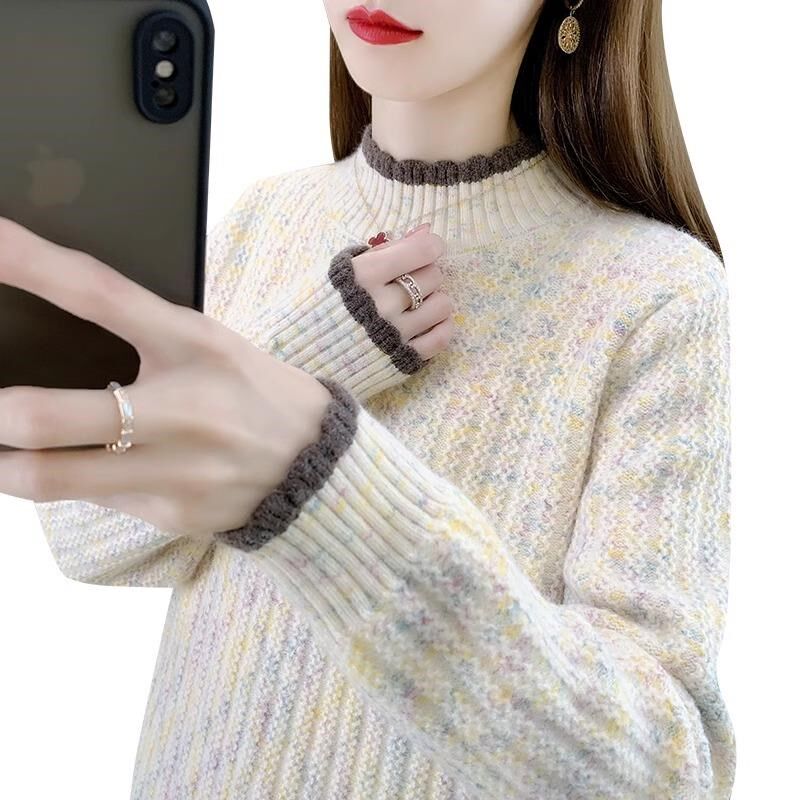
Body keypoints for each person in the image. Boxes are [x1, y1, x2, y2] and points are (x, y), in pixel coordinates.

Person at [5, 1, 735, 797]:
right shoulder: (264, 217)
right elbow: (85, 540)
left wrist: (319, 475)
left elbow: (659, 775)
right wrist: (315, 356)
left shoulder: (655, 291)